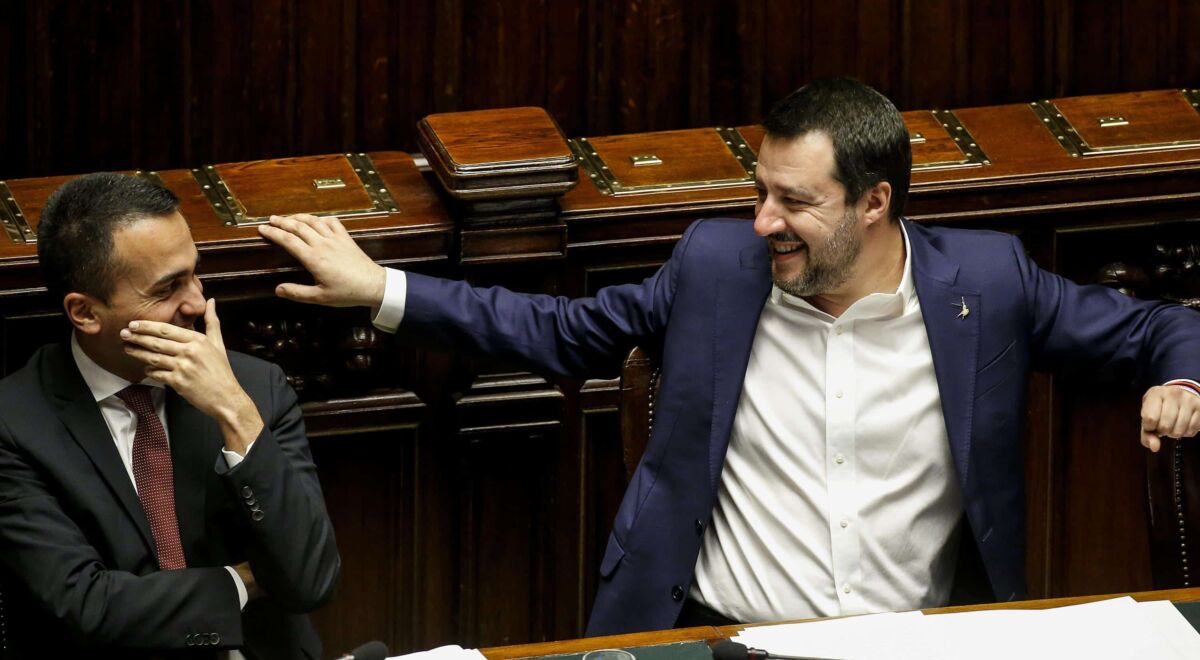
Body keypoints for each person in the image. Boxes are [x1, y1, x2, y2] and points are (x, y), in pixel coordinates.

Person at [258, 78, 1200, 636]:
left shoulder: (988, 284)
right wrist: (379, 289)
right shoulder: (716, 266)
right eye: (761, 192)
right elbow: (557, 331)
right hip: (720, 637)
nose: (764, 224)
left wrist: (1183, 377)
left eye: (795, 203)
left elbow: (1159, 328)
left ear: (874, 203)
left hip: (908, 643)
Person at [0, 173, 340, 659]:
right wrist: (241, 582)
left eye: (194, 273)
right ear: (85, 313)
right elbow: (86, 605)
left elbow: (310, 581)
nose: (197, 302)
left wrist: (235, 412)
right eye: (167, 289)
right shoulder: (13, 424)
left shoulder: (254, 387)